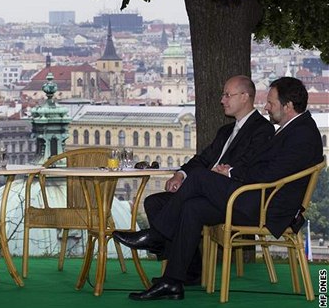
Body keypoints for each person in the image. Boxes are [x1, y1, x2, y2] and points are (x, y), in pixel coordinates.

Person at [116, 76, 323, 300]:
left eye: (271, 103)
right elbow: (264, 168)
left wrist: (230, 172)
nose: (266, 107)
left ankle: (157, 235)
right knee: (192, 207)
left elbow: (271, 173)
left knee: (198, 179)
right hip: (253, 196)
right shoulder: (292, 129)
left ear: (289, 105)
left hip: (264, 206)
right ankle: (173, 281)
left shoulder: (301, 133)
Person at [114, 75, 274, 284]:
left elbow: (254, 167)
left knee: (194, 195)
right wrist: (181, 174)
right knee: (155, 202)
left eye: (227, 95)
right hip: (212, 195)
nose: (222, 100)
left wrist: (227, 171)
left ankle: (157, 237)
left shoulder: (262, 129)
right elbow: (202, 159)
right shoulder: (226, 130)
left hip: (238, 199)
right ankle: (190, 271)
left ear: (245, 97)